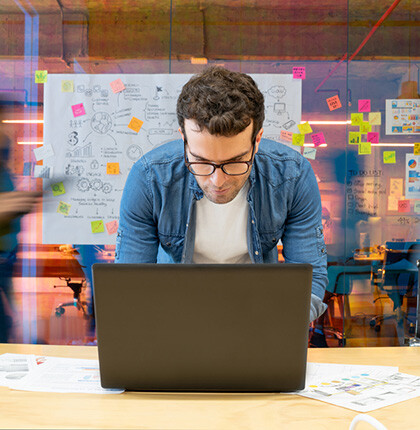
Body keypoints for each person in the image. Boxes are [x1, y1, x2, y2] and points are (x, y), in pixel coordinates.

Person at [115, 66, 328, 322]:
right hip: (174, 315)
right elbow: (132, 285)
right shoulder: (149, 179)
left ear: (257, 140)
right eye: (201, 161)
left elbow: (309, 276)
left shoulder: (292, 176)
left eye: (235, 162)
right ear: (183, 138)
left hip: (261, 315)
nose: (217, 180)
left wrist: (284, 326)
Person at [0, 132, 41, 342]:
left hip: (8, 253)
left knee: (8, 316)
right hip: (3, 255)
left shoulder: (4, 173)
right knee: (5, 318)